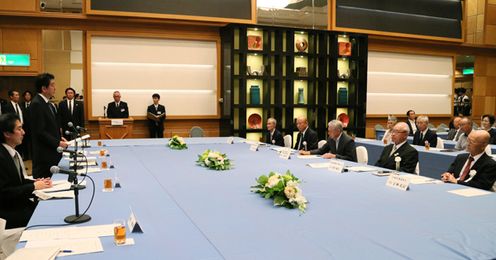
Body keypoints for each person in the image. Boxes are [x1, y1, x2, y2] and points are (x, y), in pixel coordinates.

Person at [0, 113, 52, 228]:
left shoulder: (12, 152)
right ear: (7, 133)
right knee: (48, 217)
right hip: (8, 212)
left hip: (18, 204)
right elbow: (5, 193)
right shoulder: (2, 157)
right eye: (19, 129)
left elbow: (17, 182)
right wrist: (33, 187)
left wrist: (35, 182)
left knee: (50, 207)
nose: (23, 132)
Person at [30, 73, 68, 179]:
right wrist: (58, 142)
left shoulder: (47, 103)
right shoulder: (37, 104)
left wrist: (59, 138)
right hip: (44, 156)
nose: (55, 88)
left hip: (52, 152)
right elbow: (40, 132)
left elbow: (50, 127)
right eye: (52, 85)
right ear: (44, 88)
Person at [1, 90, 26, 158]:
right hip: (12, 129)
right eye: (16, 95)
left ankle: (20, 158)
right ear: (11, 97)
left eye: (18, 95)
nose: (18, 96)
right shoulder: (7, 106)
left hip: (21, 128)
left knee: (21, 146)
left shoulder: (20, 105)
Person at [21, 91, 33, 161]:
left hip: (32, 127)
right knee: (24, 142)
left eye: (29, 95)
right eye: (26, 95)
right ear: (24, 96)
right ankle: (26, 156)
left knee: (32, 142)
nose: (27, 96)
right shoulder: (21, 104)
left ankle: (33, 156)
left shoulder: (34, 104)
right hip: (24, 127)